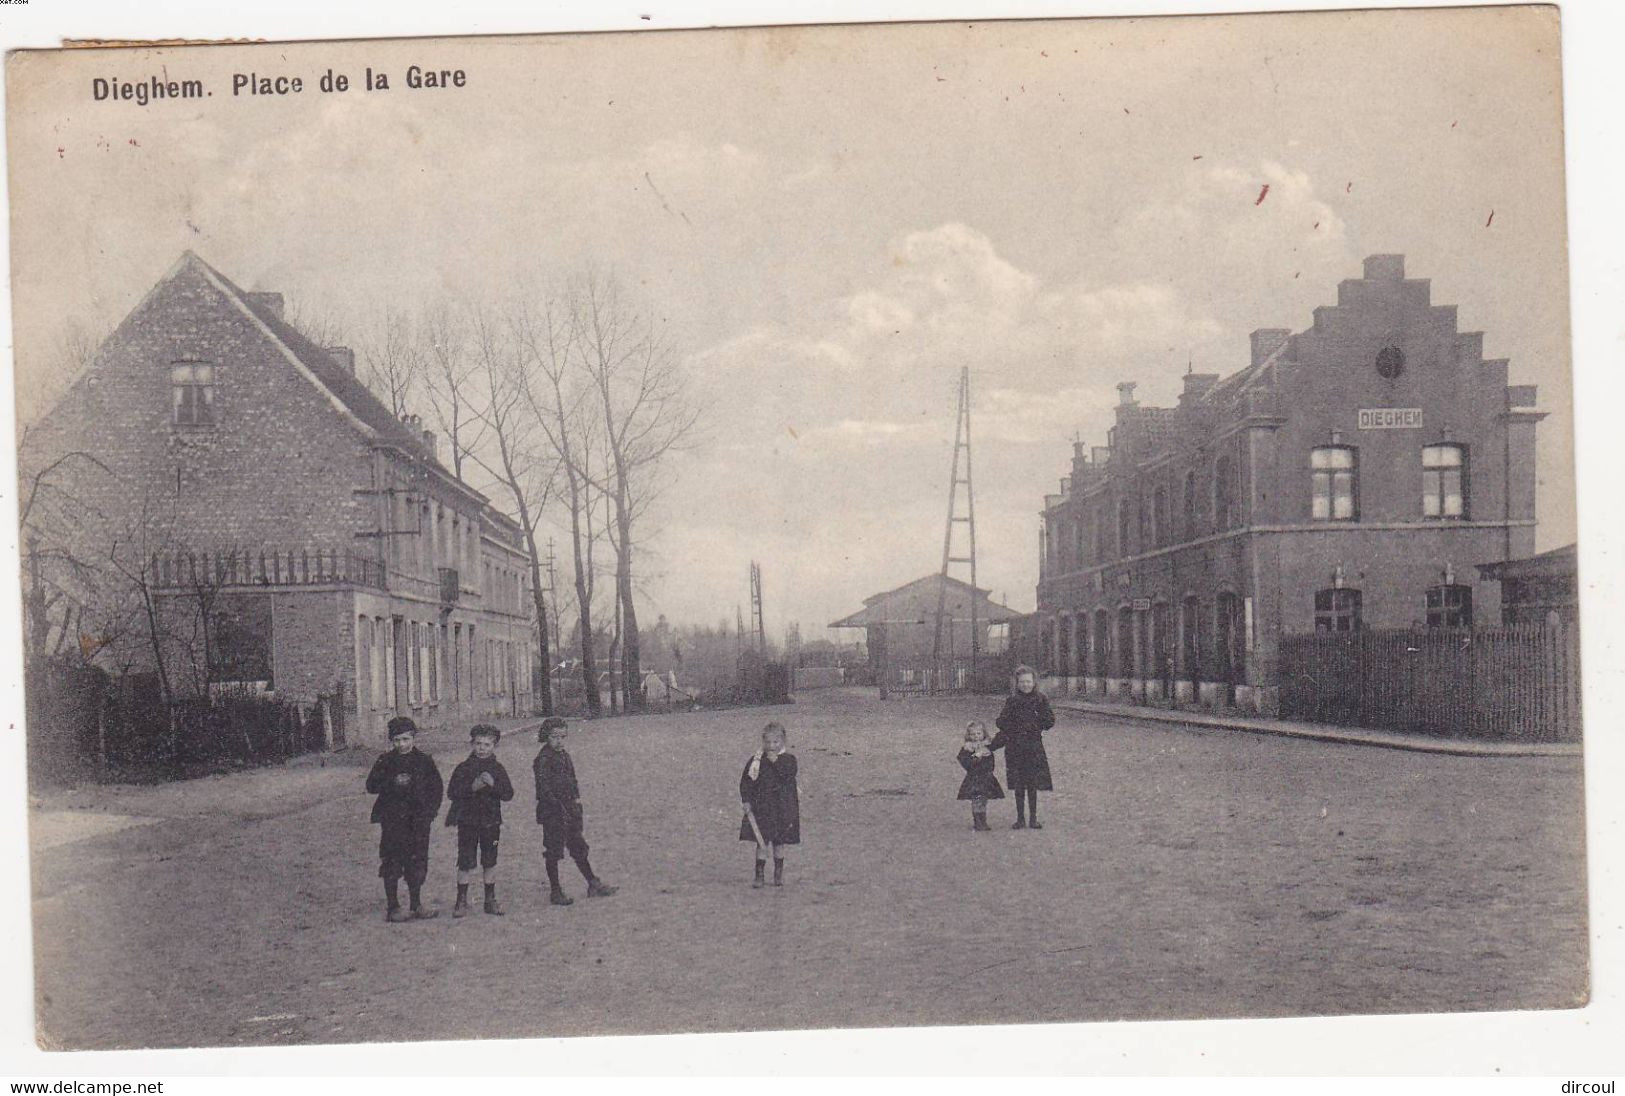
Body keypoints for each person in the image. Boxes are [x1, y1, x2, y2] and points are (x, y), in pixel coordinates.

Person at [365, 716, 445, 922]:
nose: (402, 744)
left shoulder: (424, 761)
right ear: (391, 741)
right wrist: (392, 781)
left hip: (418, 821)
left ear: (414, 738)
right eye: (397, 740)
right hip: (393, 821)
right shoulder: (386, 760)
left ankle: (416, 904)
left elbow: (436, 789)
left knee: (417, 860)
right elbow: (371, 786)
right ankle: (393, 906)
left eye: (406, 739)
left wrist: (430, 813)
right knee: (392, 861)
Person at [533, 716, 617, 907]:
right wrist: (557, 806)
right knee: (553, 850)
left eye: (563, 737)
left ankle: (593, 883)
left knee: (578, 845)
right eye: (555, 737)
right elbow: (543, 789)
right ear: (546, 737)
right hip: (552, 811)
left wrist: (576, 800)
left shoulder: (565, 755)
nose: (559, 741)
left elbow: (573, 779)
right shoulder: (542, 760)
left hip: (570, 809)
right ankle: (555, 890)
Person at [444, 724, 515, 918]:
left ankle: (490, 900)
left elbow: (508, 794)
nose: (482, 748)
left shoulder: (497, 769)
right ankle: (461, 901)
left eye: (487, 744)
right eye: (478, 744)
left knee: (490, 860)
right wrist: (471, 788)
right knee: (465, 860)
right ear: (472, 744)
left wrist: (493, 784)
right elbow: (452, 793)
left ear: (494, 746)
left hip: (491, 822)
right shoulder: (464, 768)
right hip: (467, 821)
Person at [991, 665, 1055, 829]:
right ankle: (1020, 818)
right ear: (1017, 684)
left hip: (1033, 746)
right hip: (1015, 747)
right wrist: (1013, 726)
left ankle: (1033, 818)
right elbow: (1002, 722)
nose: (1025, 685)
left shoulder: (1041, 699)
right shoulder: (1012, 700)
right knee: (1019, 783)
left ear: (1034, 682)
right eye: (1022, 682)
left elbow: (1049, 721)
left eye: (1028, 681)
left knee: (1032, 783)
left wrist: (1035, 723)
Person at [739, 722, 800, 888]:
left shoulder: (789, 760)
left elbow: (788, 776)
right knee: (761, 842)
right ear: (763, 742)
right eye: (768, 742)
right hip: (763, 809)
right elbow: (746, 782)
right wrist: (746, 800)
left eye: (775, 742)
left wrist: (776, 762)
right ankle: (759, 875)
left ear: (783, 742)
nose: (771, 746)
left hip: (782, 810)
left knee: (779, 843)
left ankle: (778, 874)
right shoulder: (756, 761)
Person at [956, 719, 1004, 831]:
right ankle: (977, 822)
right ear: (968, 735)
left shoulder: (986, 747)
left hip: (986, 777)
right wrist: (975, 758)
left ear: (983, 734)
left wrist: (986, 759)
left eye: (979, 733)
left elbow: (991, 762)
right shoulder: (967, 748)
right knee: (976, 799)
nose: (976, 736)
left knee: (983, 799)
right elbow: (964, 761)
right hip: (974, 778)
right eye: (972, 734)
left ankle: (983, 820)